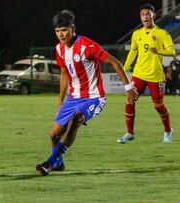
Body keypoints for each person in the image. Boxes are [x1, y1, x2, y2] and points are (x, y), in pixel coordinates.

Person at [35, 10, 138, 176]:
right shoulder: (59, 49)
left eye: (64, 30)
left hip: (94, 98)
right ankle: (59, 164)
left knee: (76, 119)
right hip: (72, 98)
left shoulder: (87, 46)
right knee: (54, 134)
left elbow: (115, 62)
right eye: (57, 31)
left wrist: (128, 88)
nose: (61, 34)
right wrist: (61, 101)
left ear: (72, 28)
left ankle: (50, 162)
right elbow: (63, 74)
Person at [117, 4, 176, 144]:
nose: (145, 17)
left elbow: (172, 52)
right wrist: (124, 67)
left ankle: (168, 131)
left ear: (153, 16)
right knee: (130, 101)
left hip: (156, 75)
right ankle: (130, 133)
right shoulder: (136, 34)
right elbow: (133, 52)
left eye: (148, 14)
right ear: (141, 17)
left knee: (158, 106)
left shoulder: (162, 33)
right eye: (143, 14)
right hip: (139, 74)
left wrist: (158, 51)